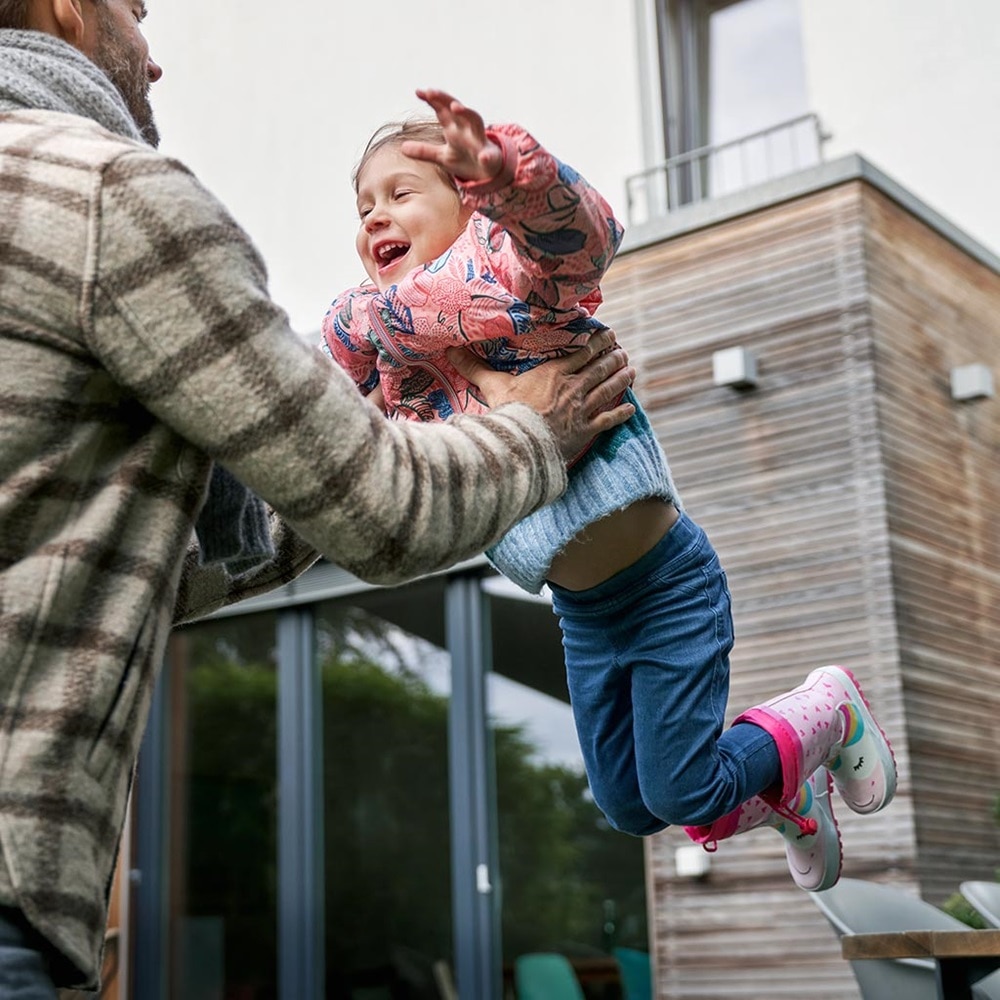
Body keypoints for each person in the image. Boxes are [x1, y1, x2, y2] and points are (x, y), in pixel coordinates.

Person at [0, 4, 638, 995]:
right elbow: (376, 505)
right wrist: (535, 432)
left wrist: (513, 173)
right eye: (134, 10)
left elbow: (145, 553)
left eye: (406, 192)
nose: (155, 60)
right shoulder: (104, 195)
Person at [322, 88, 898, 900]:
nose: (376, 216)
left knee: (682, 792)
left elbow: (580, 241)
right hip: (584, 616)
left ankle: (827, 710)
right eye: (363, 206)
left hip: (665, 584)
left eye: (401, 193)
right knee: (629, 807)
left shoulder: (513, 284)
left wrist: (514, 179)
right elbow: (328, 411)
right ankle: (785, 782)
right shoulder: (389, 354)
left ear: (469, 207)